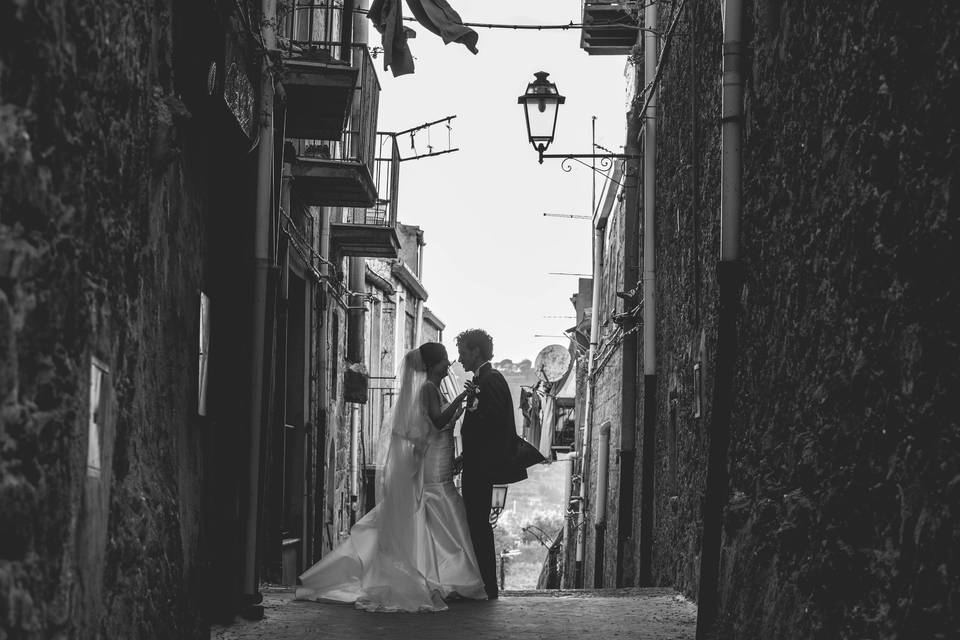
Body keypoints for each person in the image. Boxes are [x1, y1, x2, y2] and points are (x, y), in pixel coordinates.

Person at [295, 343, 487, 612]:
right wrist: (459, 400)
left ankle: (441, 577)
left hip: (440, 455)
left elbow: (440, 421)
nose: (449, 364)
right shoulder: (429, 389)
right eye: (444, 360)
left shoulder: (433, 388)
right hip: (434, 462)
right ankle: (444, 577)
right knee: (439, 506)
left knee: (438, 514)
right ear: (432, 365)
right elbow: (438, 420)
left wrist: (459, 407)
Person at [456, 329, 516, 599]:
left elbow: (488, 428)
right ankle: (483, 584)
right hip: (476, 465)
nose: (459, 359)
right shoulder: (486, 380)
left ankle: (487, 586)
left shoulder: (490, 381)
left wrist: (468, 458)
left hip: (481, 469)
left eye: (463, 353)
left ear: (476, 352)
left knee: (478, 526)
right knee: (476, 525)